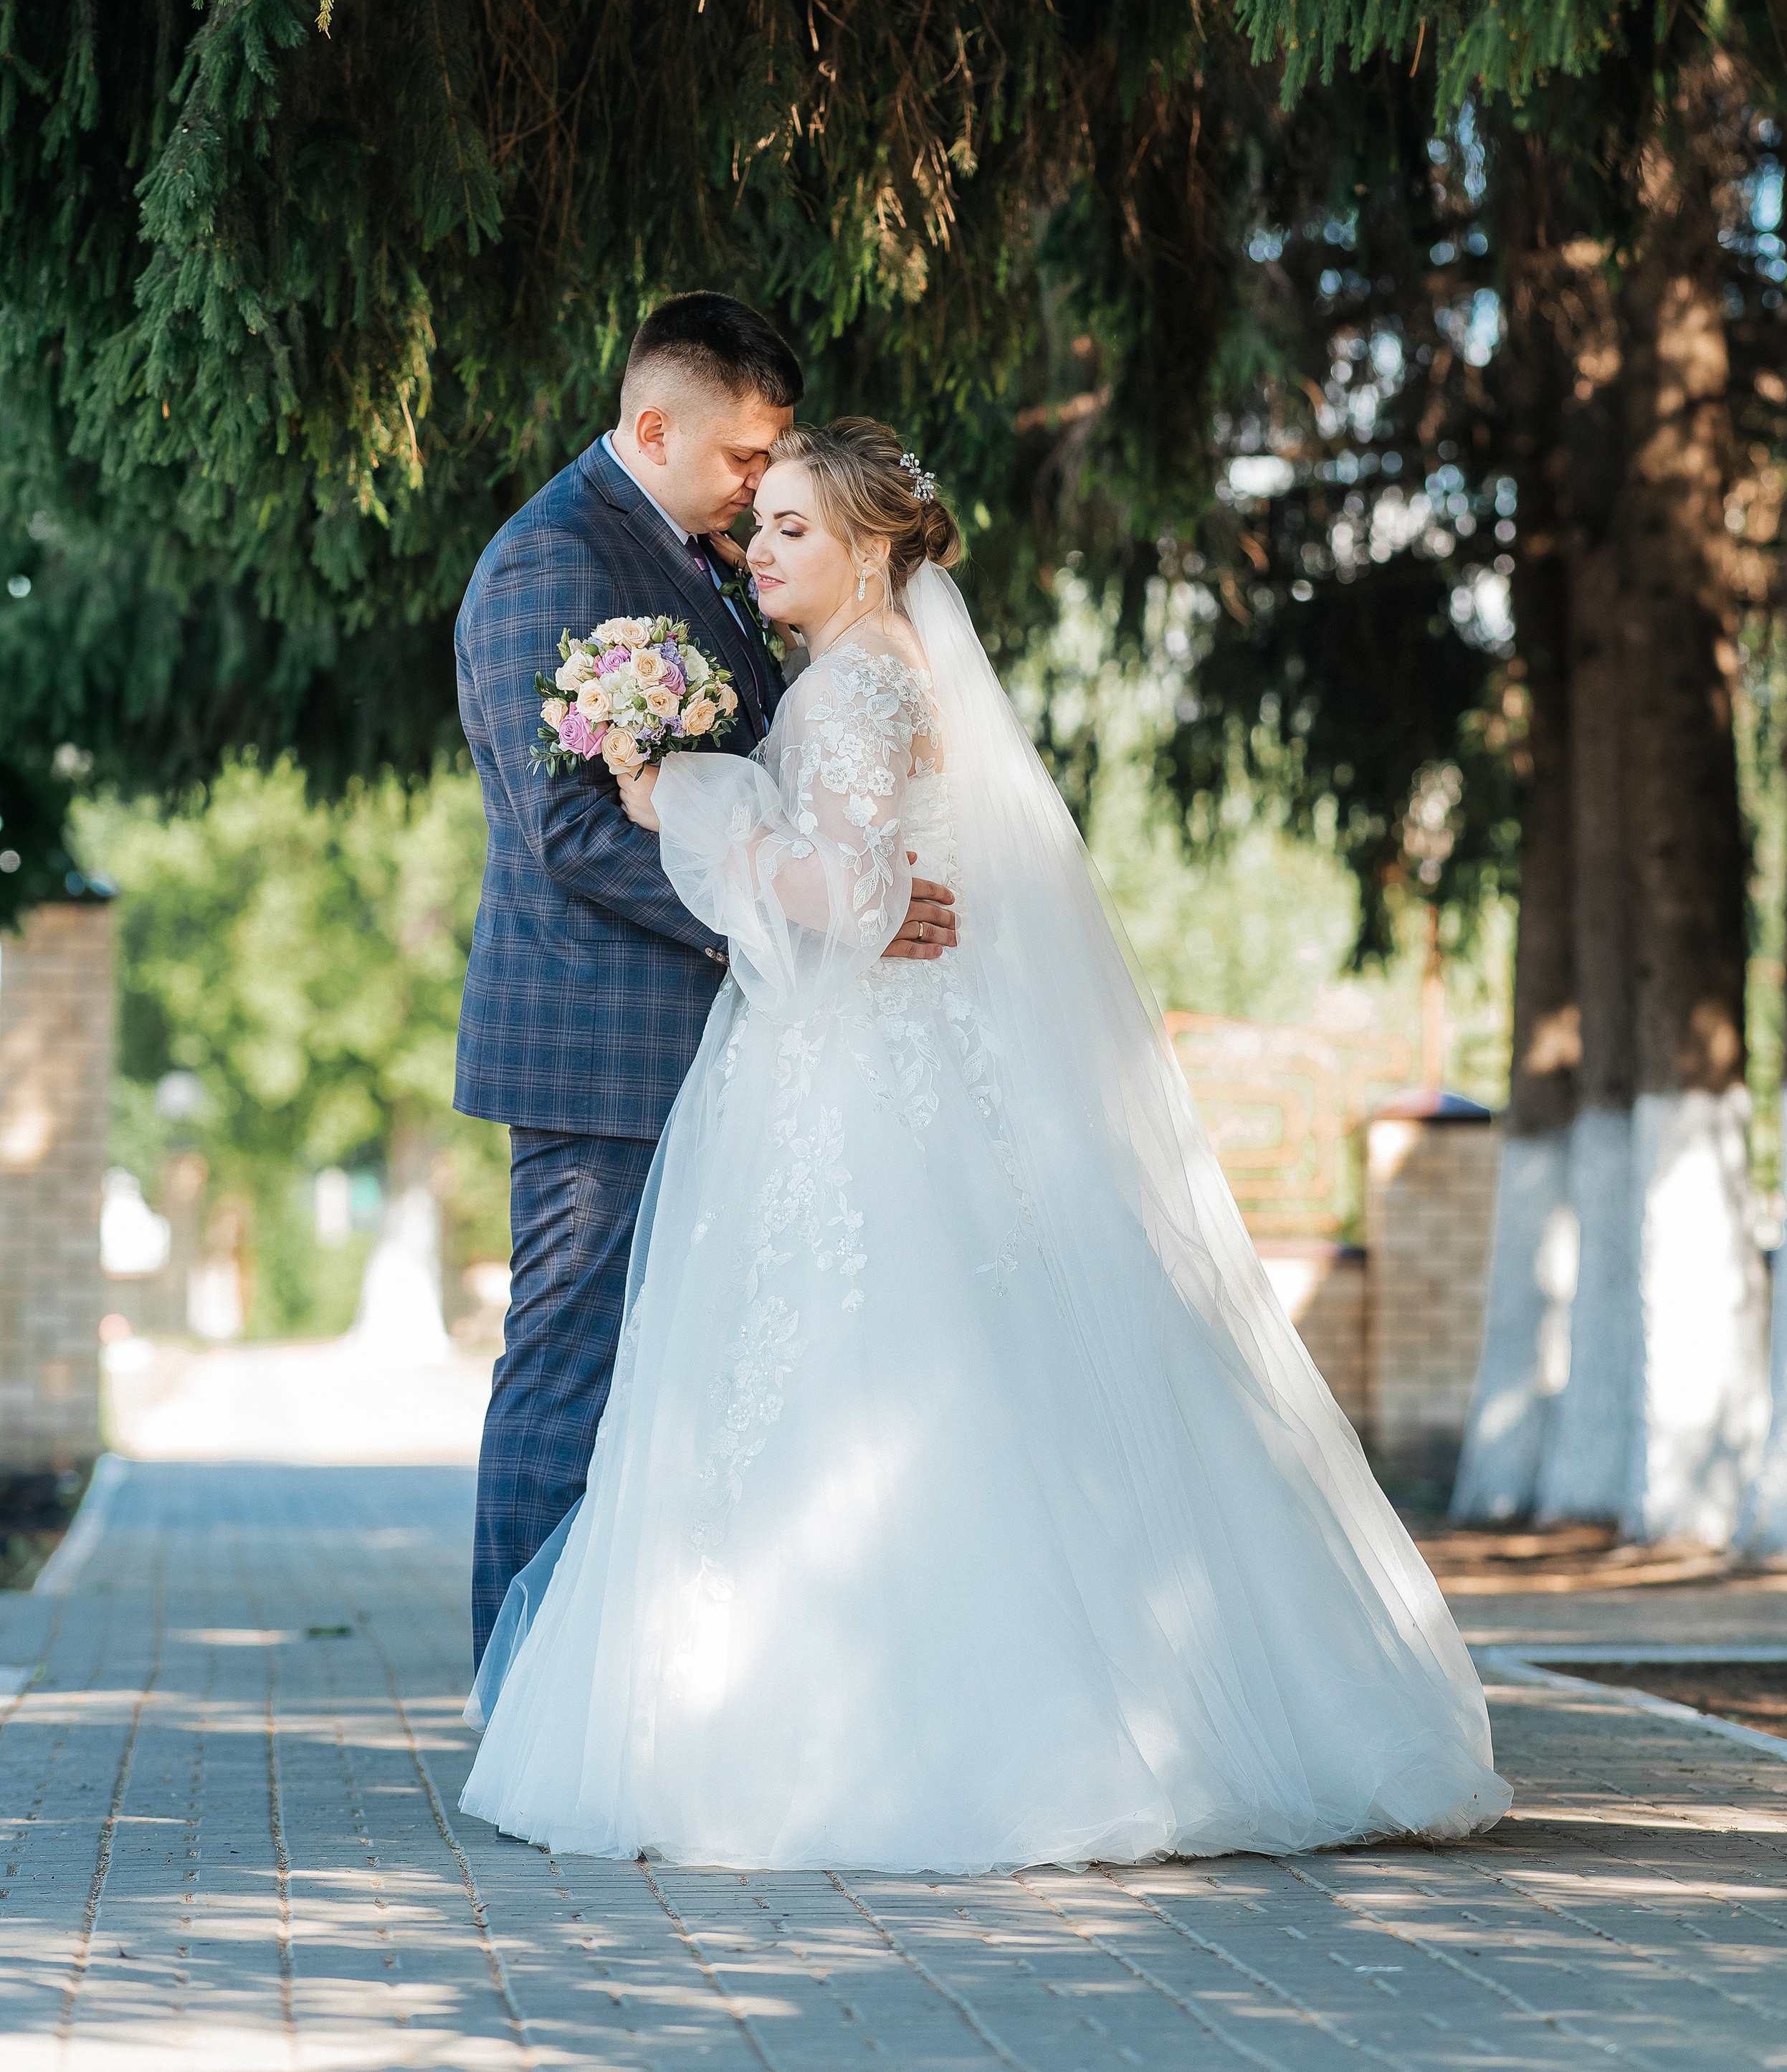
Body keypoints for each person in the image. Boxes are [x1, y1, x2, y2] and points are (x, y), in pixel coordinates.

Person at [460, 417, 1511, 1869]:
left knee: (870, 1359)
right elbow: (877, 887)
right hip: (896, 1059)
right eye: (755, 524)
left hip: (850, 1072)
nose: (758, 550)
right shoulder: (870, 671)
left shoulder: (848, 690)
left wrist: (678, 793)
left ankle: (907, 1729)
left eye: (789, 528)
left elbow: (842, 887)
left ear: (869, 544)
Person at [454, 310, 958, 1669]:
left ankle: (633, 1683)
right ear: (655, 425)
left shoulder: (706, 563)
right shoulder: (546, 562)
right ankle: (521, 1687)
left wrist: (820, 908)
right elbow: (572, 830)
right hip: (596, 1046)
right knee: (570, 1367)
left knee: (680, 1380)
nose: (758, 484)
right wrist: (795, 921)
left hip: (733, 1044)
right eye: (743, 455)